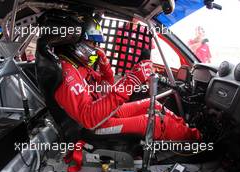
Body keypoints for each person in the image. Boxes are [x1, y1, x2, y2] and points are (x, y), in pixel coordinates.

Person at [54, 15, 201, 141]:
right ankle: (197, 143)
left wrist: (104, 61)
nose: (96, 48)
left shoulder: (78, 65)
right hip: (96, 124)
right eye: (93, 43)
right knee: (156, 122)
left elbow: (107, 84)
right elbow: (88, 119)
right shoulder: (68, 74)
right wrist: (132, 80)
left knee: (153, 104)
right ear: (75, 41)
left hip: (102, 111)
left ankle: (190, 131)